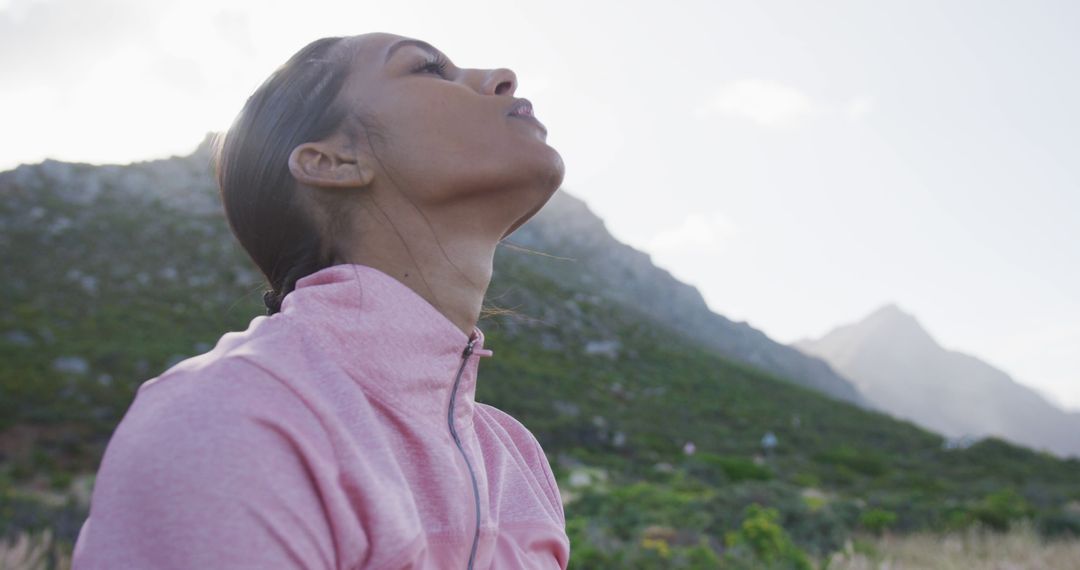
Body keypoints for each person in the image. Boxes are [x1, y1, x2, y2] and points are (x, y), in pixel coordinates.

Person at [70, 32, 569, 569]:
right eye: (427, 68)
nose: (500, 77)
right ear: (331, 161)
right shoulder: (236, 417)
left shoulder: (513, 459)